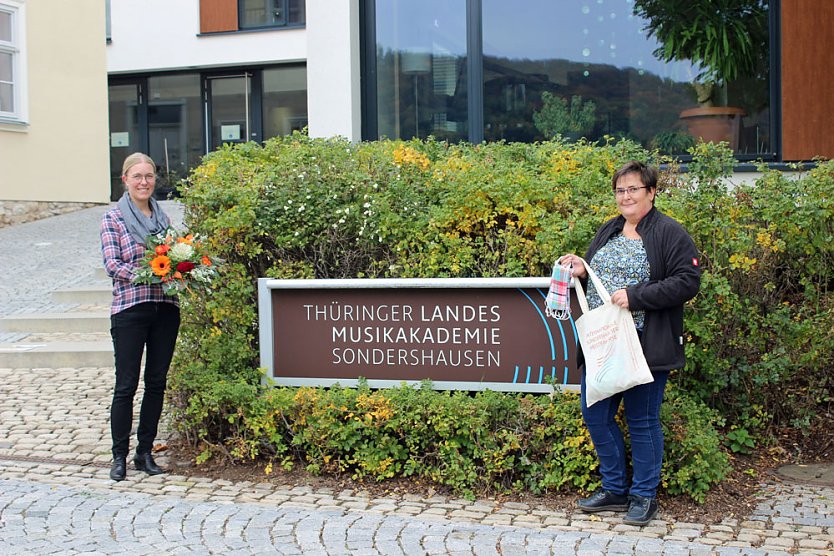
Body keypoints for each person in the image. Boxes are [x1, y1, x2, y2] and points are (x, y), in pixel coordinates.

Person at [558, 160, 700, 526]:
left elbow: (688, 281)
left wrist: (637, 295)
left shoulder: (670, 232)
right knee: (596, 415)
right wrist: (582, 268)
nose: (626, 196)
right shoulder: (610, 229)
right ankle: (616, 489)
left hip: (645, 344)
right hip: (606, 343)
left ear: (651, 192)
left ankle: (643, 496)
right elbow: (600, 277)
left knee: (642, 419)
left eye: (633, 189)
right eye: (620, 190)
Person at [100, 152, 180, 482]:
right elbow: (112, 265)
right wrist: (149, 273)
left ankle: (144, 452)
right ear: (125, 181)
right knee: (126, 385)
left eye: (149, 176)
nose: (144, 182)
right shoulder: (113, 219)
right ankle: (118, 456)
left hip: (165, 310)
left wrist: (179, 270)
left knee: (157, 383)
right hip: (130, 311)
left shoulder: (164, 220)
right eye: (137, 176)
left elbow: (175, 258)